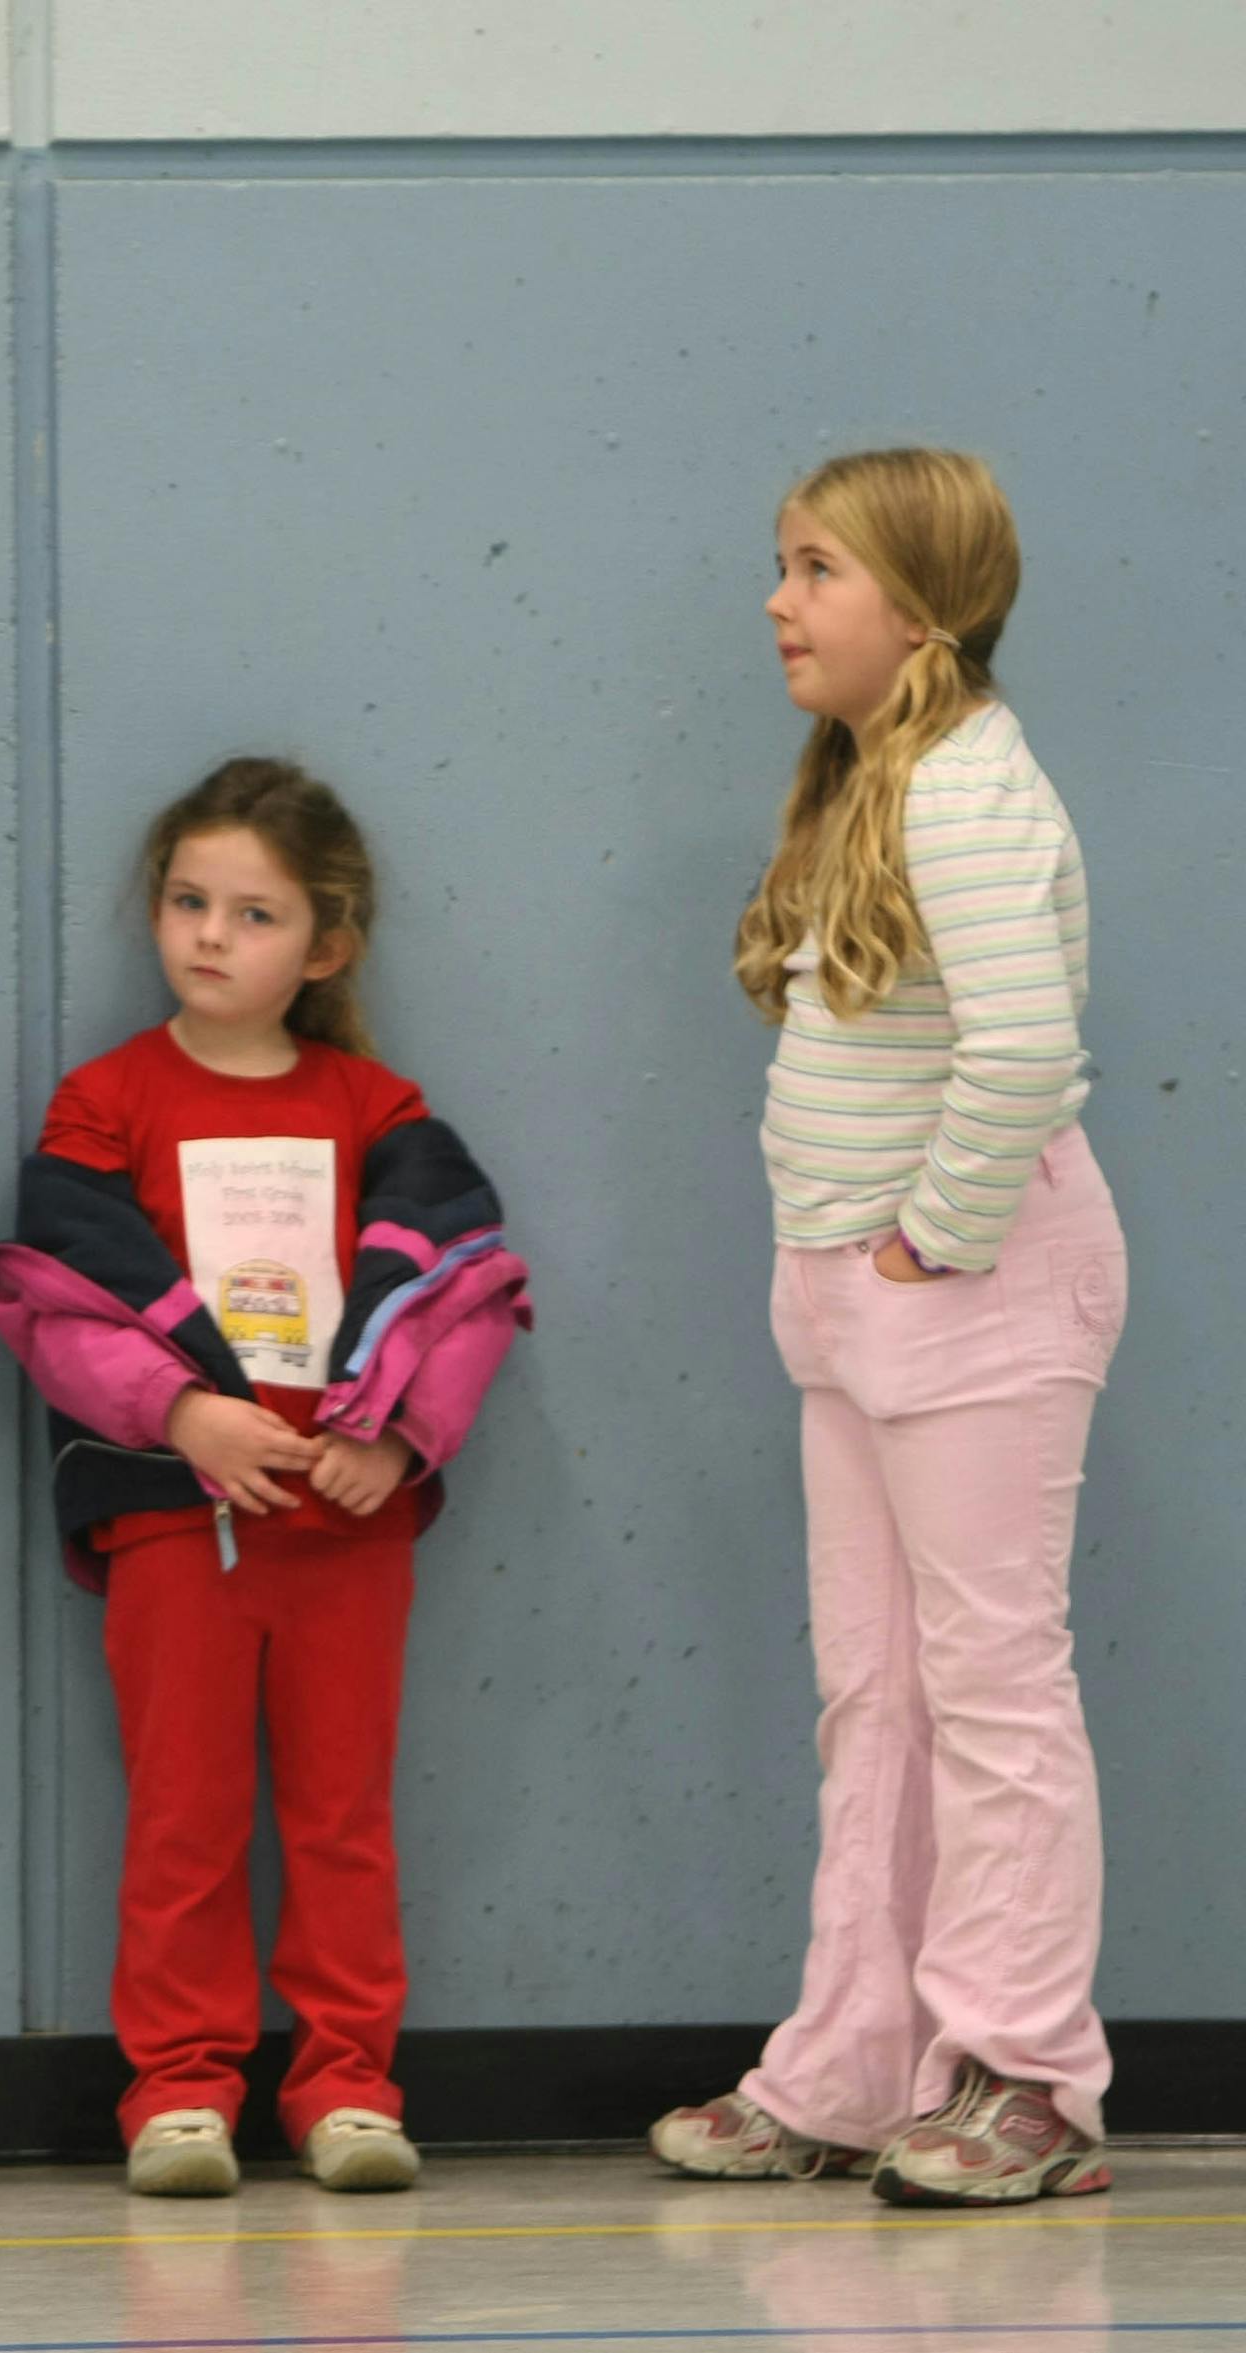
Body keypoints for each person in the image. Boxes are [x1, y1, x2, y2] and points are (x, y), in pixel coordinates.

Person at [0, 759, 529, 2196]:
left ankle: (347, 2083)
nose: (210, 935)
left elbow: (465, 1294)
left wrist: (399, 1438)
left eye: (253, 914)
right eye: (188, 901)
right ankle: (180, 2087)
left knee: (340, 1814)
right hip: (178, 1524)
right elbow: (59, 1302)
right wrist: (181, 1412)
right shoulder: (107, 1100)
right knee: (184, 1811)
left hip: (346, 1526)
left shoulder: (380, 1107)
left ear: (325, 945)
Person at [650, 449, 1127, 2206]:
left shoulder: (965, 790)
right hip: (858, 1302)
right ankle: (856, 2063)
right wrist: (856, 1266)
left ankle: (1025, 2073)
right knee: (879, 1693)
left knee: (993, 1685)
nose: (779, 600)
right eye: (782, 564)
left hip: (973, 1290)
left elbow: (1023, 1049)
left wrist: (932, 1236)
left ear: (920, 606)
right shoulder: (868, 774)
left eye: (816, 570)